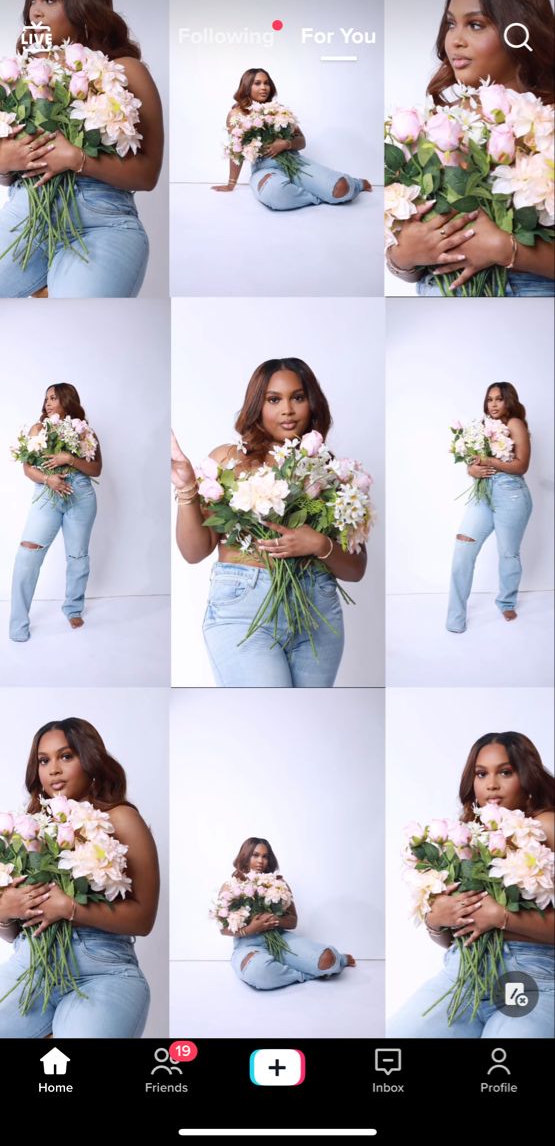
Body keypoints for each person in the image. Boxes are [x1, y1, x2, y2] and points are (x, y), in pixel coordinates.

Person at [172, 357, 367, 687]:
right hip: (244, 613)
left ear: (312, 403)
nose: (287, 410)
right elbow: (194, 553)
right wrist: (187, 489)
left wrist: (320, 544)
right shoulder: (229, 459)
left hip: (317, 615)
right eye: (274, 399)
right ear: (257, 406)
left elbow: (356, 568)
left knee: (305, 724)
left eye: (298, 397)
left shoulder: (332, 470)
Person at [0, 0, 164, 297]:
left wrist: (77, 158)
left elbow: (148, 174)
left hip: (101, 222)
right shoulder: (21, 72)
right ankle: (51, 284)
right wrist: (6, 161)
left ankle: (62, 285)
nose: (35, 12)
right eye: (32, 0)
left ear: (83, 6)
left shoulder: (127, 70)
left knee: (80, 312)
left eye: (49, 0)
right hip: (24, 212)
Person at [387, 0, 555, 296]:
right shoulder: (433, 127)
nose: (455, 39)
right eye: (451, 23)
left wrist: (504, 247)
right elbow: (408, 260)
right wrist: (403, 256)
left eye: (475, 24)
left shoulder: (546, 124)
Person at [0, 717, 159, 1037]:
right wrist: (5, 912)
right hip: (29, 969)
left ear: (90, 760)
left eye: (66, 756)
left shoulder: (122, 818)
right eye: (44, 761)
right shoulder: (29, 827)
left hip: (102, 972)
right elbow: (16, 933)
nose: (53, 769)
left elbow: (144, 919)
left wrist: (70, 907)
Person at [388, 732, 554, 1038]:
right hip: (462, 972)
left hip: (529, 975)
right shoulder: (465, 838)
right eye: (481, 774)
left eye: (505, 772)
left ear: (527, 777)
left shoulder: (546, 826)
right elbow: (453, 939)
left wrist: (502, 917)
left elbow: (494, 917)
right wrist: (437, 921)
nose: (491, 784)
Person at [9, 382, 102, 642]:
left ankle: (73, 607)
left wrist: (69, 459)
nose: (48, 402)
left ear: (67, 401)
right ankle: (17, 621)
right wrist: (48, 479)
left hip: (80, 494)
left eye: (54, 398)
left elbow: (96, 470)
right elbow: (27, 469)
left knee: (77, 555)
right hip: (47, 492)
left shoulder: (85, 430)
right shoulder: (38, 428)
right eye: (46, 398)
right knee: (28, 552)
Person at [212, 67, 371, 210]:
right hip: (264, 169)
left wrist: (286, 144)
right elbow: (236, 150)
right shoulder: (237, 114)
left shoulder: (279, 110)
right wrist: (231, 183)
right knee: (276, 194)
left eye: (266, 83)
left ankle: (356, 183)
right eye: (257, 83)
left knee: (341, 188)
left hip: (295, 163)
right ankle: (318, 197)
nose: (263, 87)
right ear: (247, 86)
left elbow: (302, 141)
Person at [446, 382, 532, 633]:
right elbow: (474, 462)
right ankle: (455, 615)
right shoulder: (481, 426)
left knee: (508, 553)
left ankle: (506, 601)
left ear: (509, 401)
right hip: (483, 494)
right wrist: (472, 468)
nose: (493, 404)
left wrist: (489, 460)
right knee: (463, 548)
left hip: (511, 495)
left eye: (499, 399)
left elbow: (522, 465)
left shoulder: (515, 424)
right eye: (489, 399)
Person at [217, 837, 356, 991]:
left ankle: (339, 960)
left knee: (328, 959)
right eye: (255, 855)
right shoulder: (230, 886)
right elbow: (223, 929)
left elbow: (293, 921)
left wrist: (274, 919)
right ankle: (306, 974)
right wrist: (252, 929)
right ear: (245, 856)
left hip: (281, 940)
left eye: (265, 856)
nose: (260, 861)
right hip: (247, 946)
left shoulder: (278, 883)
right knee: (260, 972)